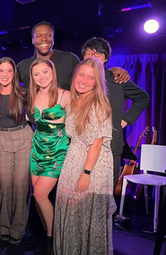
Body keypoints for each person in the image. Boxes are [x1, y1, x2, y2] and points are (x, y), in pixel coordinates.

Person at [53, 58, 116, 254]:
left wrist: (86, 173)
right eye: (81, 74)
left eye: (91, 77)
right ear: (74, 75)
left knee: (84, 214)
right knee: (70, 211)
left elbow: (96, 143)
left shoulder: (97, 105)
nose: (84, 80)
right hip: (74, 157)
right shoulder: (74, 100)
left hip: (93, 165)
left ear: (97, 82)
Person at [80, 37, 150, 192]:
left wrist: (126, 119)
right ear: (83, 57)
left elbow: (143, 97)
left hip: (110, 144)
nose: (93, 57)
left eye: (98, 54)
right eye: (89, 53)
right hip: (82, 145)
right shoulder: (77, 79)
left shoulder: (117, 80)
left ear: (105, 58)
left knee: (105, 194)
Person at [27, 58, 71, 254]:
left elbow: (75, 128)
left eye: (44, 72)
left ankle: (52, 240)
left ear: (52, 72)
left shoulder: (65, 96)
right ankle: (46, 234)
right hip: (37, 150)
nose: (41, 77)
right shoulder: (32, 96)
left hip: (57, 152)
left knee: (40, 194)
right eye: (36, 74)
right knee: (37, 198)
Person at [0, 57, 33, 245]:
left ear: (14, 73)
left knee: (21, 186)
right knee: (5, 186)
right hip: (2, 139)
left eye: (9, 71)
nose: (5, 75)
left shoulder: (23, 93)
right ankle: (4, 225)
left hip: (23, 137)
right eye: (1, 71)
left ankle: (18, 227)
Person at [17, 21, 130, 90]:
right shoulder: (23, 66)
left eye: (48, 35)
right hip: (38, 125)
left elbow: (90, 74)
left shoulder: (69, 59)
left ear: (53, 38)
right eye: (39, 36)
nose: (44, 39)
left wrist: (111, 71)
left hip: (69, 122)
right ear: (32, 40)